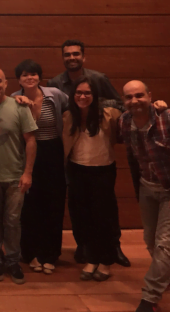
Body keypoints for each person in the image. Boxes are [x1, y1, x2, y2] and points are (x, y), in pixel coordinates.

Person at [48, 39, 129, 267]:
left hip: (100, 153)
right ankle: (83, 246)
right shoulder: (55, 83)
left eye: (75, 54)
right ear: (62, 58)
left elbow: (121, 107)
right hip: (74, 155)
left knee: (106, 207)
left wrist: (94, 106)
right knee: (78, 206)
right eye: (67, 55)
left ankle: (113, 247)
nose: (71, 58)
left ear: (84, 56)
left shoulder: (98, 79)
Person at [0, 68, 37, 284]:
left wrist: (28, 173)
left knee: (12, 220)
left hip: (15, 176)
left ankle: (12, 259)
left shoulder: (19, 106)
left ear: (5, 84)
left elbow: (31, 140)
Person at [11, 60, 68, 274]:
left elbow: (75, 109)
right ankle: (31, 253)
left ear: (39, 77)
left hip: (53, 152)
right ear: (19, 79)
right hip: (26, 154)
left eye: (33, 74)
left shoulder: (55, 94)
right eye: (25, 75)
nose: (29, 78)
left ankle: (51, 254)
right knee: (29, 206)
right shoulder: (14, 99)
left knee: (53, 204)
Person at [118, 81, 170, 312]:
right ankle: (166, 275)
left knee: (164, 244)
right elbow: (131, 158)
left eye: (140, 95)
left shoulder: (166, 118)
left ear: (150, 95)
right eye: (129, 97)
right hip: (147, 188)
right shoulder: (124, 122)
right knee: (149, 240)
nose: (135, 101)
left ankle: (149, 298)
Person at [62, 76, 121, 282]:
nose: (83, 96)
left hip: (103, 172)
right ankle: (91, 258)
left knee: (102, 218)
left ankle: (105, 261)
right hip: (78, 171)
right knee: (82, 217)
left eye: (87, 93)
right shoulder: (69, 116)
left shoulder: (110, 115)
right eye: (79, 93)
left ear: (95, 96)